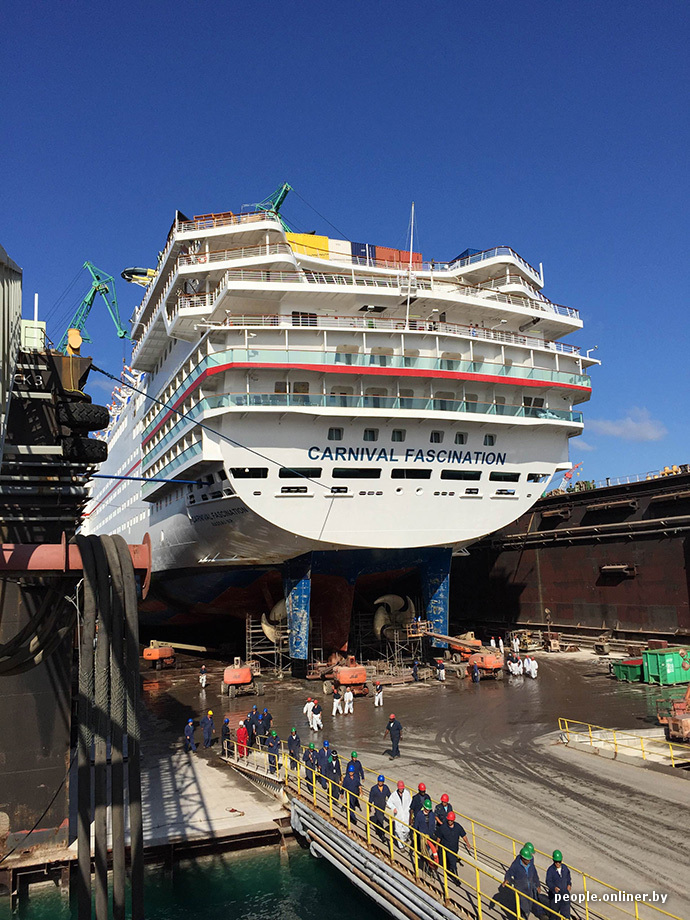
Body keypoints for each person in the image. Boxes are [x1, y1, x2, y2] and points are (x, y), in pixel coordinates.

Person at [503, 845, 541, 918]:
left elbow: (534, 874)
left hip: (529, 889)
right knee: (525, 908)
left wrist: (538, 884)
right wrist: (507, 879)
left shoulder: (530, 863)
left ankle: (522, 916)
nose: (529, 861)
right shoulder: (516, 865)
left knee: (529, 906)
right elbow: (509, 872)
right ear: (523, 858)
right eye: (527, 859)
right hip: (521, 890)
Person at [436, 811, 470, 879]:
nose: (450, 822)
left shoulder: (458, 827)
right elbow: (438, 838)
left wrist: (467, 843)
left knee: (451, 860)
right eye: (449, 820)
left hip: (455, 848)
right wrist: (436, 846)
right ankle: (456, 877)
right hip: (447, 848)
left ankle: (451, 870)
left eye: (451, 820)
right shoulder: (443, 827)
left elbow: (464, 835)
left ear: (453, 820)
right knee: (452, 862)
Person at [414, 798, 439, 871]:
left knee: (434, 848)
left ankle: (432, 863)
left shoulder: (431, 814)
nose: (428, 811)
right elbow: (416, 826)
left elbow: (433, 824)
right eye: (427, 809)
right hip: (423, 837)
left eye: (429, 810)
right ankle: (426, 865)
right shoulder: (419, 815)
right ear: (424, 808)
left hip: (430, 835)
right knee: (425, 851)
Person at [386, 780, 412, 850]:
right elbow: (389, 802)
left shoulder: (407, 793)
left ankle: (404, 839)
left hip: (406, 815)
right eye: (400, 788)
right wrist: (393, 808)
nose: (401, 789)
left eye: (402, 788)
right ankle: (401, 846)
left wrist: (410, 812)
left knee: (407, 830)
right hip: (398, 815)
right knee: (398, 831)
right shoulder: (394, 795)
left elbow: (410, 802)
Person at [546, 849, 572, 918]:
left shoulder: (565, 868)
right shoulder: (550, 870)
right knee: (554, 915)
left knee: (566, 914)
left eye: (559, 862)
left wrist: (569, 884)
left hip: (565, 894)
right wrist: (553, 888)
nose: (557, 863)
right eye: (556, 861)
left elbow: (568, 877)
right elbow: (548, 881)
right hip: (555, 896)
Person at [369, 775, 391, 842]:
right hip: (377, 806)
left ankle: (378, 830)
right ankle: (382, 835)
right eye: (379, 781)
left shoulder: (385, 788)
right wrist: (369, 806)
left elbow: (389, 796)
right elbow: (371, 798)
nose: (380, 782)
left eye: (381, 781)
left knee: (379, 818)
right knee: (381, 819)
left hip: (383, 806)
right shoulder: (374, 789)